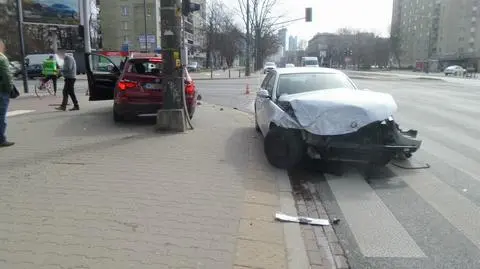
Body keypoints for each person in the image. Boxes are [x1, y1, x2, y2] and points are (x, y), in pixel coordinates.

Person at [0, 39, 14, 147]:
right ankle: (1, 139)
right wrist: (9, 89)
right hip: (1, 91)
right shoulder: (1, 58)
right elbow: (7, 76)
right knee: (1, 115)